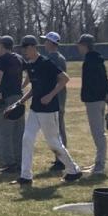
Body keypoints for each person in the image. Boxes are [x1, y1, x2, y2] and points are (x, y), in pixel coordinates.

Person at [8, 35, 81, 186]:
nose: (24, 52)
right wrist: (20, 101)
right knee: (27, 139)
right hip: (35, 109)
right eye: (23, 49)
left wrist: (50, 95)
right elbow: (34, 88)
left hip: (49, 110)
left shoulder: (46, 63)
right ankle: (26, 176)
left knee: (54, 143)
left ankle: (73, 170)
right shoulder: (30, 65)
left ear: (34, 47)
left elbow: (64, 79)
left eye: (26, 48)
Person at [0, 35, 25, 174]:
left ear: (2, 46)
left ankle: (10, 163)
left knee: (4, 132)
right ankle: (20, 162)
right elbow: (28, 76)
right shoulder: (19, 58)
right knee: (18, 132)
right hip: (19, 97)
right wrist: (21, 86)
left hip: (7, 99)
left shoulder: (3, 59)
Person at [78, 34, 108, 176]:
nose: (78, 47)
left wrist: (91, 96)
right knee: (98, 133)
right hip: (98, 100)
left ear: (85, 45)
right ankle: (98, 162)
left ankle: (100, 165)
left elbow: (98, 82)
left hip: (94, 101)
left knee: (98, 133)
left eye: (80, 44)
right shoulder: (96, 59)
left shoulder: (90, 61)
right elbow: (105, 80)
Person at [41, 31, 68, 171]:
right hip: (58, 97)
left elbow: (58, 80)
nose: (44, 43)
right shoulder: (59, 57)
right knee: (57, 129)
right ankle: (59, 158)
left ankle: (62, 160)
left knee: (58, 130)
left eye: (46, 41)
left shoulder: (53, 58)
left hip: (55, 98)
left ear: (51, 43)